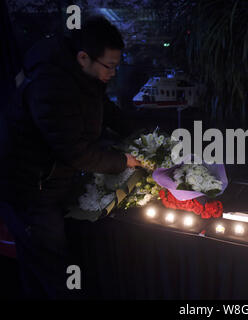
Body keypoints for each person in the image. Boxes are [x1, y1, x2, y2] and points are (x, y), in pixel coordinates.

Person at [0, 16, 142, 299]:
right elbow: (74, 151)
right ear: (83, 57)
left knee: (38, 267)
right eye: (110, 66)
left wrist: (139, 134)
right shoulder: (50, 85)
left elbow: (105, 109)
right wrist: (123, 161)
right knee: (55, 270)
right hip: (30, 190)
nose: (113, 73)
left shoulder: (83, 75)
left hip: (49, 182)